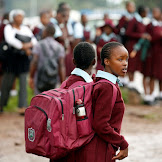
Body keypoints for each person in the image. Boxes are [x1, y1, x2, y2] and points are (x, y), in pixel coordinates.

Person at [73, 41, 129, 162]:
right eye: (120, 59)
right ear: (106, 61)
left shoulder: (102, 82)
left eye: (126, 60)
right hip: (100, 149)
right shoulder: (106, 86)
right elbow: (100, 124)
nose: (125, 64)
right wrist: (122, 143)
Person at [50, 42, 96, 162]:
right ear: (94, 62)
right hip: (78, 147)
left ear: (73, 61)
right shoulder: (90, 87)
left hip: (61, 145)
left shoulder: (65, 84)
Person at [0, 9, 37, 114]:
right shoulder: (8, 28)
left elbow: (33, 40)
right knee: (7, 83)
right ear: (13, 17)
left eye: (21, 16)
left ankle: (23, 106)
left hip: (23, 60)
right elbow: (10, 40)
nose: (20, 18)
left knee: (23, 83)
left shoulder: (25, 28)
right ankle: (2, 105)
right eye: (18, 16)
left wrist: (25, 46)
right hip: (11, 60)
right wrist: (24, 47)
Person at [29, 24, 66, 95]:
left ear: (45, 32)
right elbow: (61, 65)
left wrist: (31, 77)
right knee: (52, 101)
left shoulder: (38, 45)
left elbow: (35, 61)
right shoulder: (59, 47)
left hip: (40, 78)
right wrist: (63, 82)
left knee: (39, 100)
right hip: (54, 79)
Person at [125, 5, 148, 91]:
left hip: (138, 46)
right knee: (131, 64)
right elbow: (128, 33)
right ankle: (130, 82)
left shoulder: (141, 21)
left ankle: (132, 82)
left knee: (135, 65)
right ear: (142, 12)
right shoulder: (134, 20)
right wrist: (140, 35)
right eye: (146, 12)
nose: (147, 13)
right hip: (132, 45)